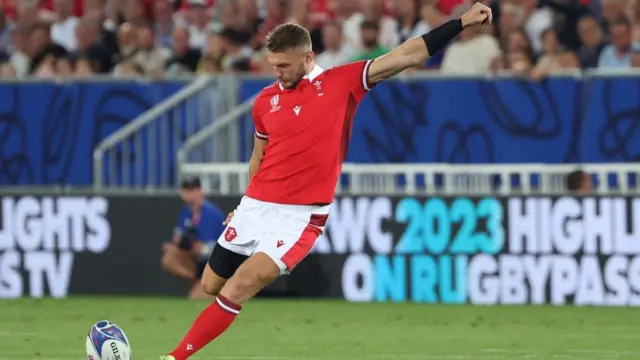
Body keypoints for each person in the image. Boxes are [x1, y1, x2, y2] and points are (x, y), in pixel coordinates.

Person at [160, 3, 492, 359]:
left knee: (241, 285)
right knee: (211, 284)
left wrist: (460, 23)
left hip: (299, 217)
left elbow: (408, 54)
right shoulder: (265, 101)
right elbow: (258, 158)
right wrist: (244, 206)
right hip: (255, 206)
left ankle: (174, 357)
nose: (278, 73)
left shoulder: (342, 82)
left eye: (284, 66)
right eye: (273, 66)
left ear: (308, 58)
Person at [160, 176, 226, 300]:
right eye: (186, 190)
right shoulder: (185, 212)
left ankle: (219, 287)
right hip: (198, 264)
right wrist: (178, 244)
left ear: (200, 191)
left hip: (217, 266)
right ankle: (198, 281)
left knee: (195, 299)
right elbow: (178, 238)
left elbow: (209, 249)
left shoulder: (211, 213)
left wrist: (189, 244)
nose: (189, 194)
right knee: (169, 256)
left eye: (192, 190)